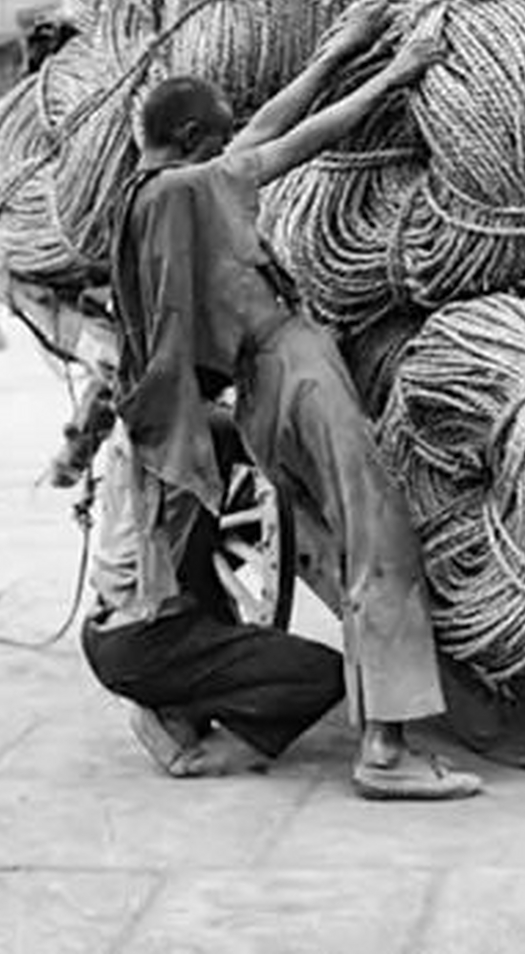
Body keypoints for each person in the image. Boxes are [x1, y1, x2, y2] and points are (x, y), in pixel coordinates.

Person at [110, 9, 481, 801]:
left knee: (356, 531)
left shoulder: (159, 189)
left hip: (264, 384)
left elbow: (261, 135)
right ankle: (385, 751)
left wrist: (336, 51)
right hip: (291, 367)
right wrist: (397, 72)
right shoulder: (190, 188)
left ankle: (366, 729)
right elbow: (291, 146)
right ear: (189, 137)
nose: (226, 147)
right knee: (379, 534)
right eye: (215, 137)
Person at [61, 323, 346, 777]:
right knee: (326, 675)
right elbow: (292, 454)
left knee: (223, 642)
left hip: (105, 631)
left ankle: (174, 705)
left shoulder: (137, 420)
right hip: (146, 641)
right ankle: (200, 754)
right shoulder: (203, 429)